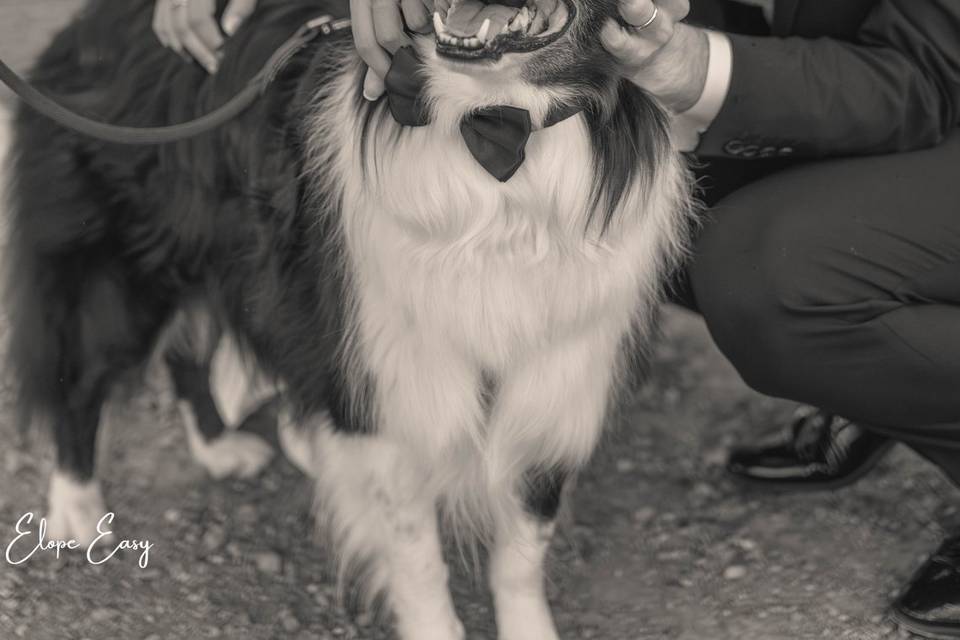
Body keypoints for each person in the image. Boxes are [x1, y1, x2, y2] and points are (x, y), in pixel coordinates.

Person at [152, 0, 960, 636]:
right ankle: (876, 379)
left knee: (761, 273)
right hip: (817, 59)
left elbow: (927, 79)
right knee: (659, 218)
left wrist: (686, 64)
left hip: (939, 100)